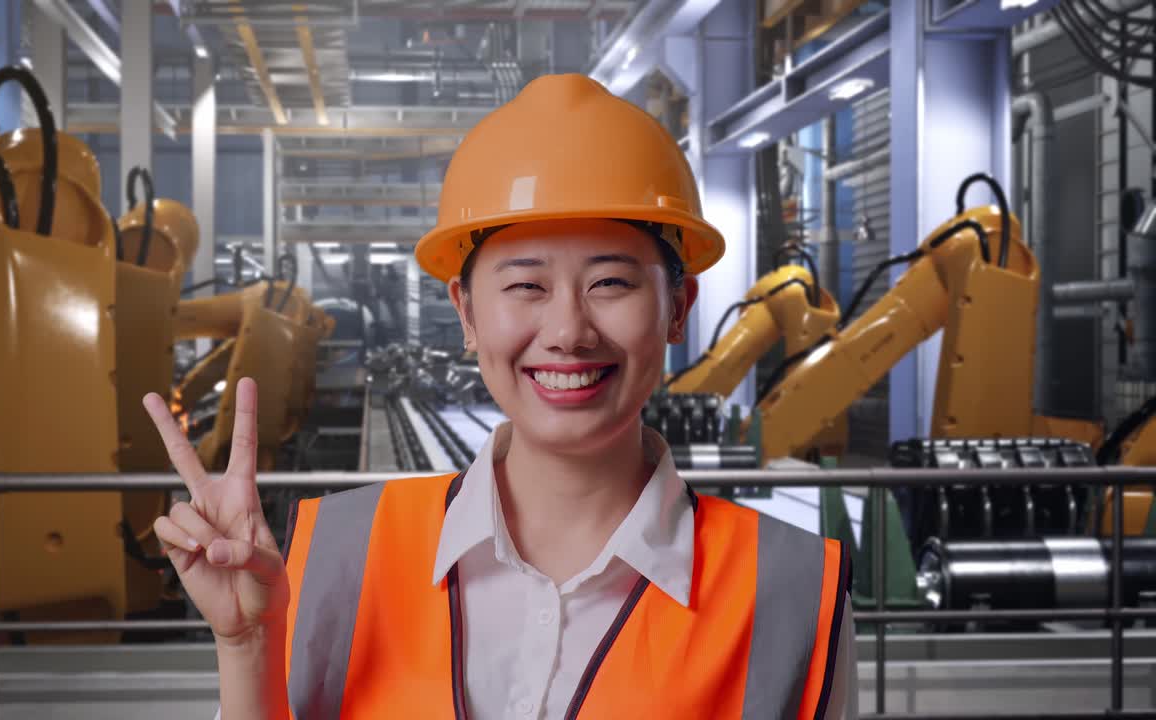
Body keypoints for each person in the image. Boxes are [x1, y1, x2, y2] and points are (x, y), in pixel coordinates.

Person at [143, 73, 857, 720]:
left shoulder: (792, 591)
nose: (569, 331)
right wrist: (246, 649)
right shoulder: (330, 558)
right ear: (466, 311)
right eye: (526, 286)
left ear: (677, 307)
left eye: (610, 282)